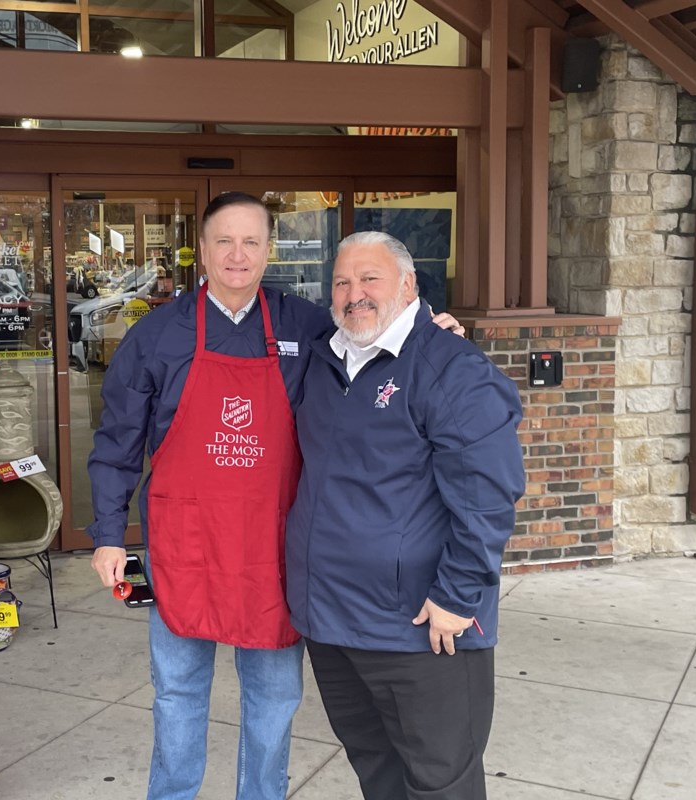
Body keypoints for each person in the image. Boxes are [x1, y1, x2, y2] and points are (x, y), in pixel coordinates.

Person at [87, 193, 464, 800]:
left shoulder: (304, 324)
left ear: (269, 251)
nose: (238, 255)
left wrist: (428, 330)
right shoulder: (156, 335)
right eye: (224, 242)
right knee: (178, 689)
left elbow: (373, 338)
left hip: (273, 547)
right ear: (201, 252)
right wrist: (108, 533)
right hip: (184, 544)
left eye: (252, 242)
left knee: (274, 695)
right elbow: (118, 440)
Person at [284, 231, 525, 800]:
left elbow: (487, 497)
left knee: (441, 782)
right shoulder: (324, 361)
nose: (354, 293)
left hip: (422, 627)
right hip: (333, 622)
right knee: (377, 768)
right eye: (342, 282)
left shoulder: (450, 368)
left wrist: (457, 597)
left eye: (370, 279)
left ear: (409, 285)